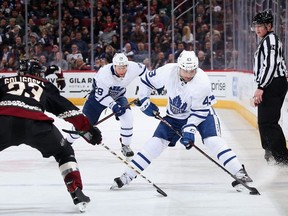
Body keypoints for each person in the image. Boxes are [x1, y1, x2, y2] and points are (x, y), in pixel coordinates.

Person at [111, 50, 253, 192]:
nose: (189, 74)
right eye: (185, 70)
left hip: (202, 114)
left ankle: (239, 172)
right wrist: (144, 100)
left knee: (212, 140)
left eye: (192, 71)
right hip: (175, 116)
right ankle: (128, 175)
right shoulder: (167, 71)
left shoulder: (202, 82)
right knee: (155, 144)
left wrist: (189, 129)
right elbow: (146, 81)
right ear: (179, 67)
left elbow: (199, 112)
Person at [0, 59, 102, 212]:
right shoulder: (44, 84)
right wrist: (88, 130)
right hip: (37, 125)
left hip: (3, 122)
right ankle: (75, 190)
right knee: (64, 152)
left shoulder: (4, 81)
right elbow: (67, 110)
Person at [65, 53, 147, 158]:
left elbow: (145, 73)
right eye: (119, 68)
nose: (122, 70)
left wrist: (145, 93)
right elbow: (101, 97)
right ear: (114, 66)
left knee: (128, 116)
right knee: (84, 124)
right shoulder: (104, 74)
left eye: (124, 67)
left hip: (118, 96)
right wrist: (114, 106)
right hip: (97, 99)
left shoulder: (133, 67)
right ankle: (66, 143)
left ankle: (125, 145)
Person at [251, 10, 288, 164]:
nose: (257, 28)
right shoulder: (266, 40)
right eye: (256, 25)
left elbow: (270, 65)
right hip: (272, 84)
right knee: (265, 121)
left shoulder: (270, 40)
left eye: (261, 25)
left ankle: (281, 157)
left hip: (274, 84)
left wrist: (261, 87)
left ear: (269, 26)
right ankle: (272, 152)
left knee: (268, 122)